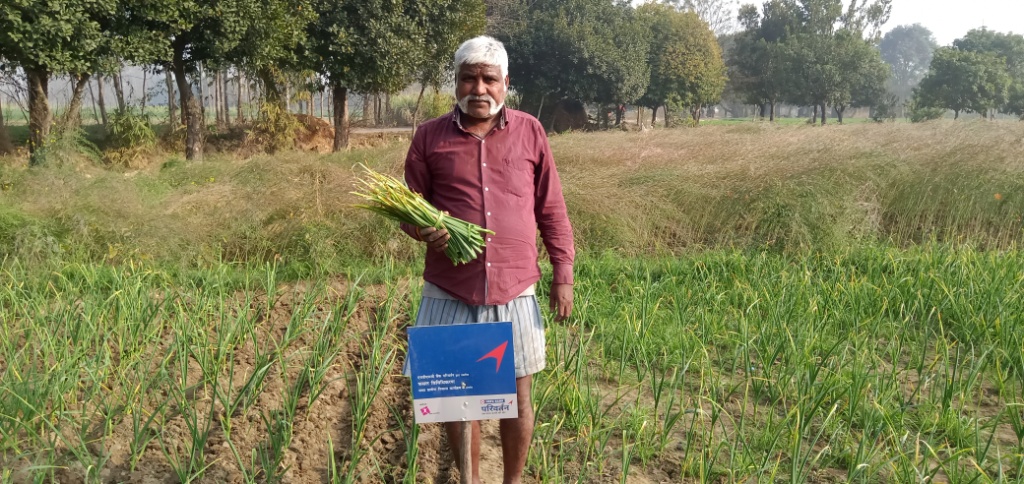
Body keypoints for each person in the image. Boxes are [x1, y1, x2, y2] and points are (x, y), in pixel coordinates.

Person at [400, 35, 575, 484]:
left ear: (505, 83)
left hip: (514, 288)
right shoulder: (428, 137)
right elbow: (408, 210)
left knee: (517, 394)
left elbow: (550, 207)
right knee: (461, 400)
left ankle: (512, 481)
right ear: (455, 83)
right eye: (469, 78)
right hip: (450, 288)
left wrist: (563, 273)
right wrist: (425, 229)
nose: (479, 88)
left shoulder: (531, 131)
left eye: (489, 79)